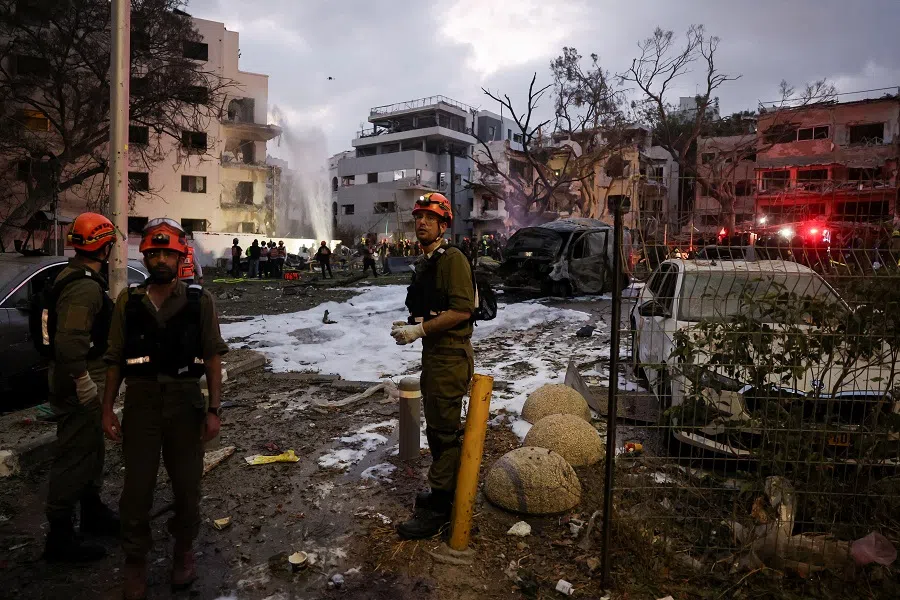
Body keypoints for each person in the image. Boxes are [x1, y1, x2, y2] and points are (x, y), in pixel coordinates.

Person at [101, 218, 227, 599]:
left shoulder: (198, 302)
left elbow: (212, 358)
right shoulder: (130, 302)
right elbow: (114, 359)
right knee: (136, 491)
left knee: (187, 487)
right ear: (145, 255)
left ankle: (183, 552)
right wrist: (107, 410)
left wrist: (214, 410)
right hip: (140, 405)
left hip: (185, 405)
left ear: (179, 257)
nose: (159, 259)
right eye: (153, 253)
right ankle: (135, 561)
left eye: (166, 253)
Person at [391, 193, 475, 539]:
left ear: (444, 225)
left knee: (444, 432)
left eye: (430, 217)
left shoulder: (452, 259)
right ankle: (443, 492)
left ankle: (441, 508)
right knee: (438, 429)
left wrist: (419, 330)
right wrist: (412, 325)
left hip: (450, 356)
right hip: (435, 354)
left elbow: (462, 310)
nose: (422, 222)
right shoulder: (429, 260)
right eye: (418, 217)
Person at [43, 212, 120, 563]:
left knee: (90, 448)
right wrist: (84, 382)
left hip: (78, 377)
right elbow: (71, 343)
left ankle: (92, 511)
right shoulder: (85, 286)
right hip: (78, 381)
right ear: (103, 247)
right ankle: (59, 536)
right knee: (74, 453)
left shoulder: (73, 274)